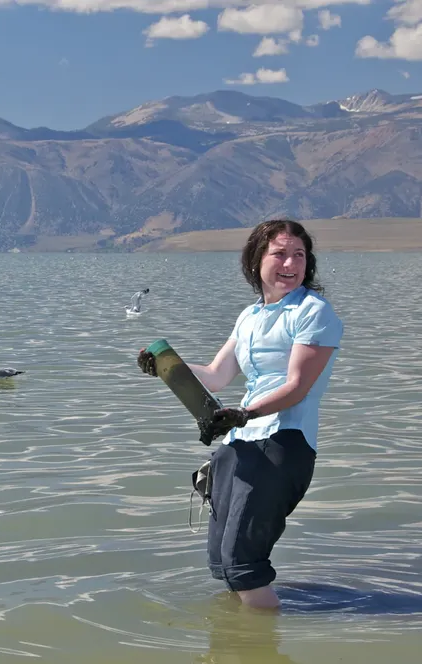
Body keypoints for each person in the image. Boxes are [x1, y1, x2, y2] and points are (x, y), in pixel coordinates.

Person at [136, 219, 343, 611]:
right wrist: (165, 367)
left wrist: (246, 413)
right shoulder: (249, 316)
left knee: (243, 562)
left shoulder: (314, 312)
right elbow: (216, 377)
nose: (290, 263)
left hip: (283, 442)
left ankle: (265, 641)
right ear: (255, 260)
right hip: (240, 441)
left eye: (299, 255)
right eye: (279, 253)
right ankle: (236, 644)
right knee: (221, 562)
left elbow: (298, 385)